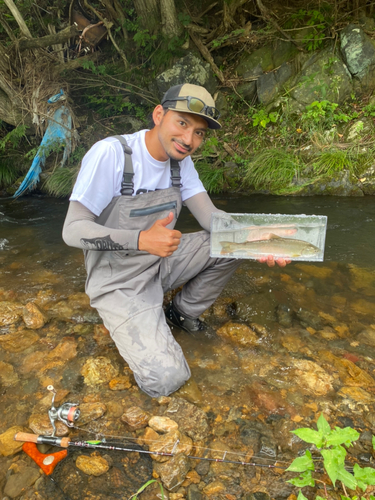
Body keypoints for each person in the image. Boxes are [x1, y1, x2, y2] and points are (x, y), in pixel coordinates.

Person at [62, 83, 287, 398]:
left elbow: (210, 217)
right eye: (182, 123)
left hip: (161, 261)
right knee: (168, 379)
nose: (189, 140)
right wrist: (141, 240)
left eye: (199, 133)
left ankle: (181, 312)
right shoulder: (112, 154)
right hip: (118, 282)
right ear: (159, 115)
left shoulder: (182, 163)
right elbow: (72, 230)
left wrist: (253, 236)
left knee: (231, 242)